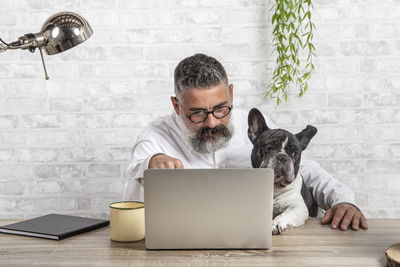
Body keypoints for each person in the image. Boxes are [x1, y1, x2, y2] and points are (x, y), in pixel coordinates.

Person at [123, 53, 368, 231]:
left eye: (220, 108)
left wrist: (343, 199)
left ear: (231, 93)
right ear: (177, 106)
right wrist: (151, 164)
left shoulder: (255, 129)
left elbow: (305, 169)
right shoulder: (154, 137)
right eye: (197, 113)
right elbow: (131, 196)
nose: (211, 123)